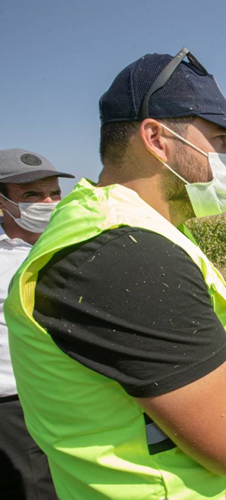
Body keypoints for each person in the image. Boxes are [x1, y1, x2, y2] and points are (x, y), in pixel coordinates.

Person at [5, 48, 226, 500]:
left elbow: (201, 356)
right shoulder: (122, 254)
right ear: (156, 138)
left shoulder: (140, 233)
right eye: (220, 139)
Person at [0, 149, 73, 499]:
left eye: (54, 192)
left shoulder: (73, 241)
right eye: (31, 195)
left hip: (72, 396)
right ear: (2, 201)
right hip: (15, 406)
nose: (47, 202)